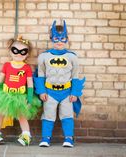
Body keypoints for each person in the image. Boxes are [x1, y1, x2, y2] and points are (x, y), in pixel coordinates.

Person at [34, 20, 85, 148]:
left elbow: (75, 76)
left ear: (67, 39)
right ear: (51, 38)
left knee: (67, 115)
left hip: (67, 93)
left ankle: (69, 138)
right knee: (48, 115)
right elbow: (40, 74)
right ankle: (46, 138)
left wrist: (74, 93)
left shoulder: (72, 57)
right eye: (56, 39)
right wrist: (41, 91)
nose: (60, 42)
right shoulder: (43, 57)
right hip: (49, 92)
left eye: (63, 39)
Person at [0, 35, 40, 146]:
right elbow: (0, 78)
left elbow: (30, 84)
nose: (19, 54)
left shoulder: (26, 68)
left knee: (22, 115)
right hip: (5, 94)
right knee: (0, 114)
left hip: (20, 95)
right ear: (10, 52)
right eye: (15, 50)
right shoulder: (7, 65)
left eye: (23, 51)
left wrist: (29, 97)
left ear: (27, 54)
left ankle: (26, 136)